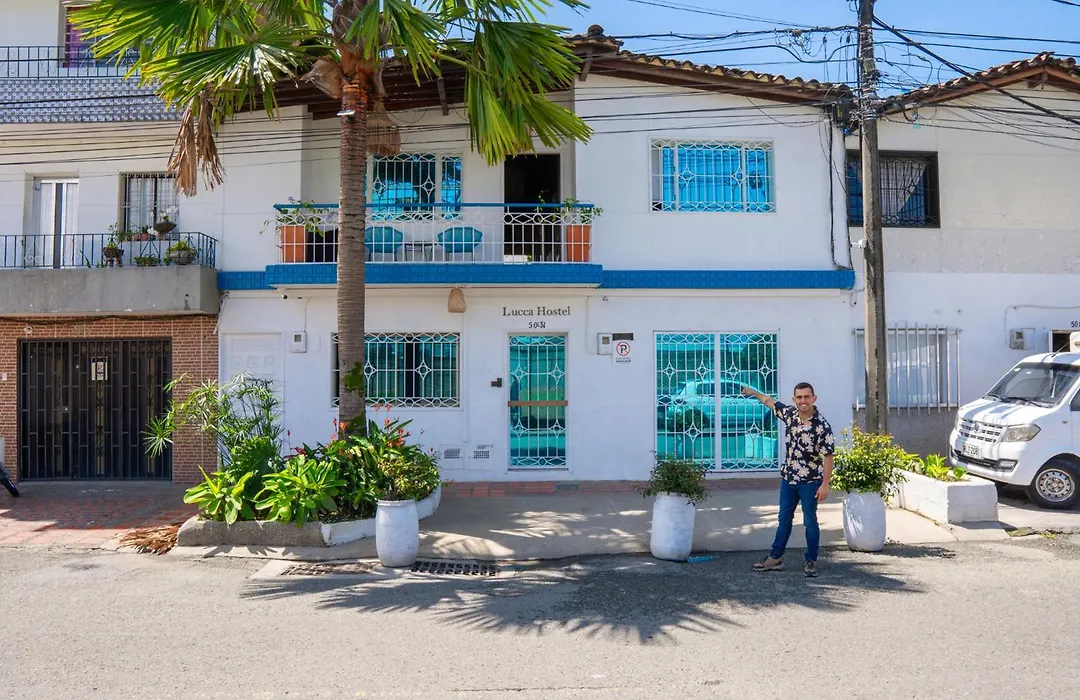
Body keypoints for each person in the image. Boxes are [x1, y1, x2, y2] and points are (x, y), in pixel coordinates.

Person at [742, 382, 834, 577]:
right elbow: (769, 401)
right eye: (799, 397)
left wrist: (825, 484)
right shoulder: (790, 414)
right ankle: (775, 558)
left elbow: (828, 456)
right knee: (784, 519)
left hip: (810, 482)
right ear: (794, 399)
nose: (803, 401)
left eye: (806, 397)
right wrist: (752, 392)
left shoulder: (822, 426)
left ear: (814, 398)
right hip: (789, 479)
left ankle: (811, 560)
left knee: (810, 521)